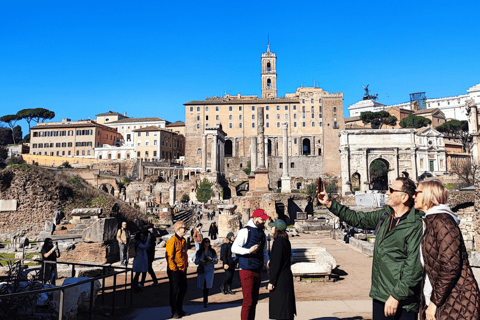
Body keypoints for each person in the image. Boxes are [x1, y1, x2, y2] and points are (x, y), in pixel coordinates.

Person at [318, 177, 423, 320]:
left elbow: (414, 266)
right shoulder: (386, 215)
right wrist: (330, 203)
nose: (387, 192)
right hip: (380, 294)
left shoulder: (416, 224)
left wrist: (396, 296)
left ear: (404, 197)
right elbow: (357, 219)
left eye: (392, 190)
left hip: (402, 300)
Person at [414, 181, 480, 320]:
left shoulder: (442, 221)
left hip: (455, 300)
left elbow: (450, 266)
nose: (413, 196)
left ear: (428, 195)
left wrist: (434, 302)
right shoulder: (431, 221)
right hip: (441, 297)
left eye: (417, 193)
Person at [232, 208, 270, 320]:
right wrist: (248, 251)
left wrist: (267, 263)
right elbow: (234, 248)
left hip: (257, 268)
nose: (264, 221)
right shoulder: (245, 231)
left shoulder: (263, 233)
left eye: (265, 219)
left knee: (254, 300)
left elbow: (265, 251)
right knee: (248, 301)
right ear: (255, 218)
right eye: (262, 219)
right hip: (246, 269)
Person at [268, 219, 296, 320]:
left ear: (276, 229)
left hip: (280, 279)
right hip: (286, 276)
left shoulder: (278, 243)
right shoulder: (285, 241)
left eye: (272, 227)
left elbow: (276, 263)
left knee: (281, 308)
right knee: (285, 306)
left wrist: (271, 282)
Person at [166, 221, 189, 319]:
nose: (185, 229)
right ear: (178, 229)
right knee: (174, 291)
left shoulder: (183, 240)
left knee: (183, 289)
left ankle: (180, 309)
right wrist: (174, 269)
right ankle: (174, 311)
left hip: (183, 269)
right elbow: (169, 256)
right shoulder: (172, 241)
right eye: (184, 228)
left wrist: (186, 264)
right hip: (174, 270)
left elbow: (184, 254)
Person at [194, 238, 218, 308]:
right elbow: (196, 261)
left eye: (208, 242)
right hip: (202, 270)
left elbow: (216, 260)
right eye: (206, 242)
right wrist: (201, 260)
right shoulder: (199, 251)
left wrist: (211, 259)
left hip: (209, 270)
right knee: (203, 285)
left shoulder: (212, 251)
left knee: (207, 286)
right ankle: (205, 300)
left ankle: (205, 300)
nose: (207, 243)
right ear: (203, 243)